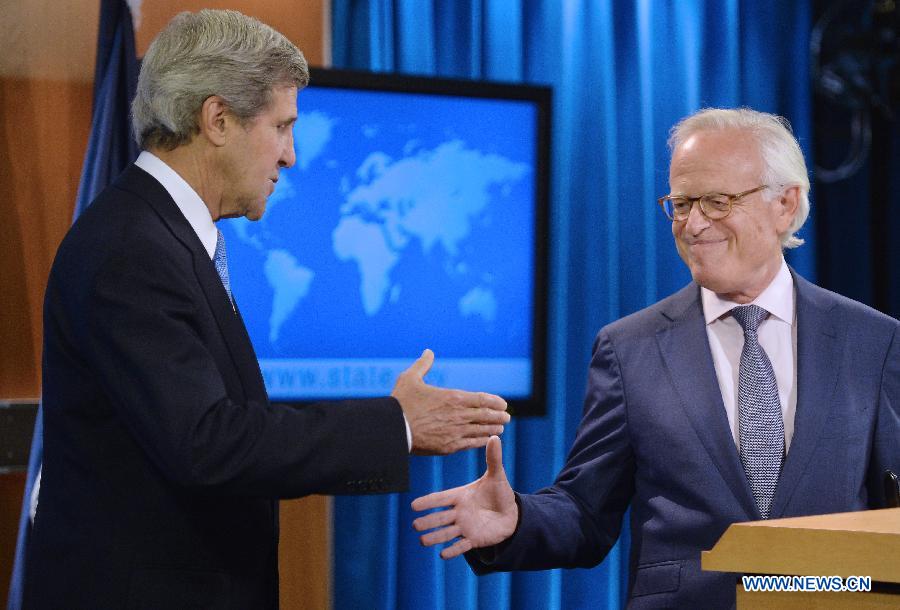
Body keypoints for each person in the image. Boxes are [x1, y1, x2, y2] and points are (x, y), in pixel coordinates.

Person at [24, 10, 509, 609]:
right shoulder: (131, 247)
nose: (291, 156)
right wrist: (397, 424)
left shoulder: (160, 235)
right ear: (218, 118)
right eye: (282, 127)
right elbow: (208, 442)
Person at [412, 107, 900, 609]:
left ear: (784, 204)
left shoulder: (873, 342)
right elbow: (585, 511)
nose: (692, 224)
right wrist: (516, 519)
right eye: (681, 204)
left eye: (716, 201)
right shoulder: (629, 349)